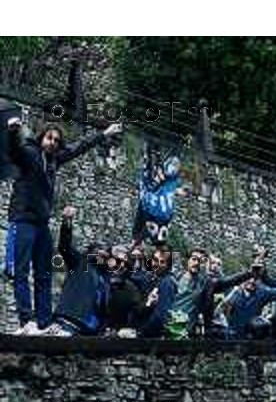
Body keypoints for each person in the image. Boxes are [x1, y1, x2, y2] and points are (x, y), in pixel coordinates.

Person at [4, 119, 121, 335]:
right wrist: (12, 133)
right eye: (49, 138)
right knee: (20, 271)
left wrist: (104, 134)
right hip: (23, 220)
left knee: (44, 273)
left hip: (42, 223)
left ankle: (44, 321)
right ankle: (26, 321)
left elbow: (78, 147)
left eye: (57, 140)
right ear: (41, 138)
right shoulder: (29, 154)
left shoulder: (54, 160)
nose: (53, 143)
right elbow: (14, 153)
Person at [43, 206, 111, 337]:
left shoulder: (105, 278)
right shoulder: (80, 263)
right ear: (90, 253)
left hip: (90, 331)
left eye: (105, 254)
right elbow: (64, 247)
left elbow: (104, 307)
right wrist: (67, 221)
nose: (102, 255)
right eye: (98, 252)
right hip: (68, 322)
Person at [219, 274, 276, 339]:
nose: (252, 281)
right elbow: (220, 310)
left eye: (255, 279)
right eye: (248, 278)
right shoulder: (232, 293)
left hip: (254, 339)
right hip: (233, 338)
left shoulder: (262, 293)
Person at [135, 246, 178, 338]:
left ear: (168, 265)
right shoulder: (151, 279)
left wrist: (142, 331)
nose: (157, 264)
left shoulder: (167, 282)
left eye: (162, 262)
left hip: (154, 336)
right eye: (155, 260)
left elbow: (162, 315)